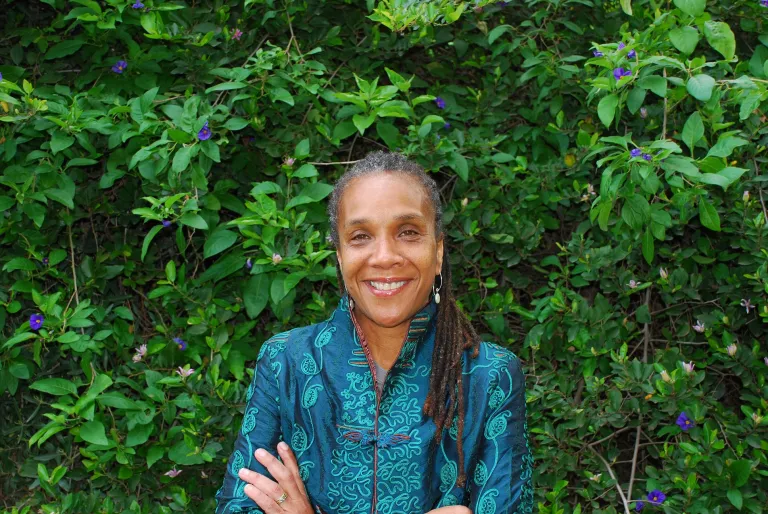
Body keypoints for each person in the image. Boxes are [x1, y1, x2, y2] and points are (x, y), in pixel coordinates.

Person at [215, 151, 533, 514]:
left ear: (439, 249)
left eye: (409, 232)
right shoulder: (286, 361)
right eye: (361, 236)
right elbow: (238, 506)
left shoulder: (489, 376)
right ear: (339, 253)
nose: (384, 256)